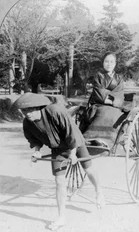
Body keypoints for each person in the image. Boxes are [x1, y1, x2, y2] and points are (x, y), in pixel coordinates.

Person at [13, 93, 105, 231]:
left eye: (30, 110)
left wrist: (73, 154)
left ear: (38, 107)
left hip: (76, 144)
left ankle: (99, 191)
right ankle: (61, 217)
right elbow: (34, 140)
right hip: (57, 149)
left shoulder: (54, 111)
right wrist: (37, 151)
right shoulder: (27, 123)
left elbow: (71, 132)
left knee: (88, 169)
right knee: (59, 181)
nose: (27, 114)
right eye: (24, 111)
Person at [81, 52, 125, 148]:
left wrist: (111, 100)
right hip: (98, 105)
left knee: (112, 114)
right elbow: (98, 92)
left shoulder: (119, 79)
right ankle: (90, 138)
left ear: (115, 64)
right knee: (103, 111)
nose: (109, 64)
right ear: (103, 63)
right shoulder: (98, 76)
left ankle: (107, 141)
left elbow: (119, 94)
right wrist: (111, 99)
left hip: (114, 107)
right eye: (106, 61)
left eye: (111, 62)